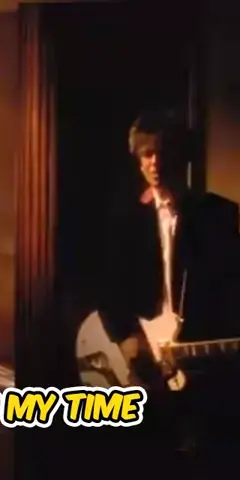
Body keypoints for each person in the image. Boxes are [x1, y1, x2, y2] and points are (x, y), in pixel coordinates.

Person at [98, 111, 240, 449]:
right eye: (147, 154)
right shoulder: (125, 220)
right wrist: (126, 337)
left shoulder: (217, 215)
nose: (156, 163)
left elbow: (231, 289)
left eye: (164, 152)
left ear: (183, 156)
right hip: (142, 364)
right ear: (138, 160)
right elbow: (108, 288)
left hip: (198, 368)